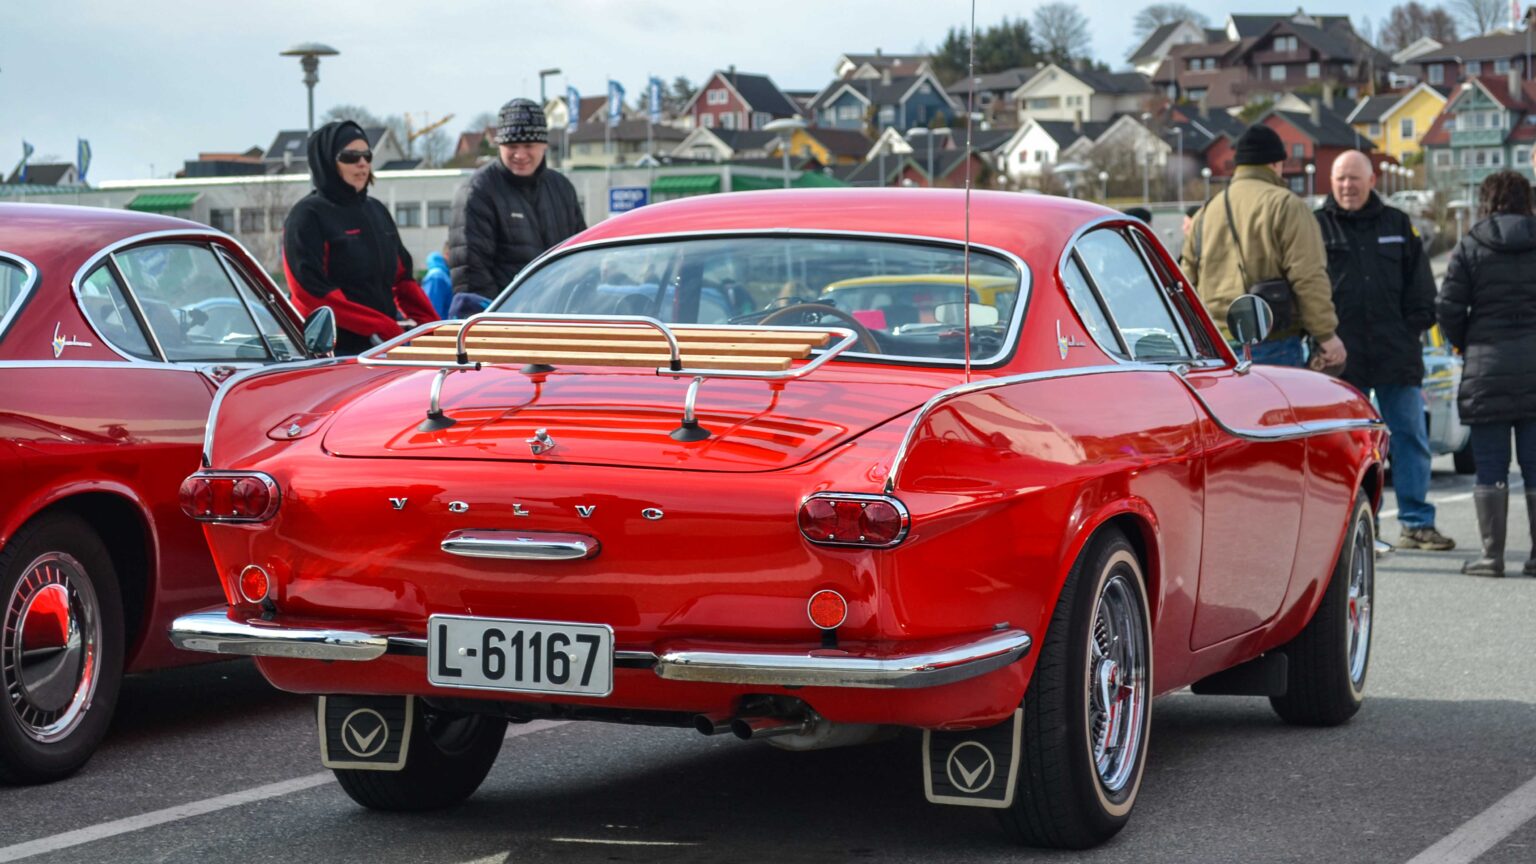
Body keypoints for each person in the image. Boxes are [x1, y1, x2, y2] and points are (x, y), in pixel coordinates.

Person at [1317, 150, 1453, 551]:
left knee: (1410, 437)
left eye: (1355, 178)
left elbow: (1423, 289)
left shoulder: (1397, 224)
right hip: (1343, 358)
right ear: (1331, 181)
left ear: (1373, 179)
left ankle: (1416, 523)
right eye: (1340, 178)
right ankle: (1361, 525)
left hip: (1396, 353)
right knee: (1350, 445)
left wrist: (1408, 329)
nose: (1347, 186)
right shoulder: (1317, 228)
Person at [1179, 125, 1345, 369]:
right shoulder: (1286, 205)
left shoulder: (1207, 211)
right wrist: (1326, 335)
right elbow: (1307, 276)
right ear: (1276, 164)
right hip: (1273, 343)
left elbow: (1185, 280)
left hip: (1216, 347)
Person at [1437, 169, 1536, 576]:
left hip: (1486, 369)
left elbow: (1447, 308)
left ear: (1487, 201)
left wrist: (1465, 341)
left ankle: (1492, 557)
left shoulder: (1470, 245)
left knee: (1491, 466)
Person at [282, 120, 436, 355]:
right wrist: (379, 326)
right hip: (332, 353)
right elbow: (310, 292)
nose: (362, 163)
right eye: (350, 156)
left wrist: (436, 327)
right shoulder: (307, 216)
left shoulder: (376, 210)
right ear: (328, 162)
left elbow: (403, 279)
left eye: (367, 155)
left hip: (382, 347)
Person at [448, 98, 587, 318]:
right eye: (512, 146)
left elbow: (581, 257)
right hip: (505, 322)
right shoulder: (477, 191)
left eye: (529, 146)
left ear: (544, 145)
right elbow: (471, 274)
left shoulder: (561, 188)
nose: (520, 155)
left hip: (560, 317)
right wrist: (499, 323)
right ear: (499, 145)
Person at [421, 246, 452, 319]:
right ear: (447, 254)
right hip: (440, 326)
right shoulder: (437, 276)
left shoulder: (441, 275)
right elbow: (434, 308)